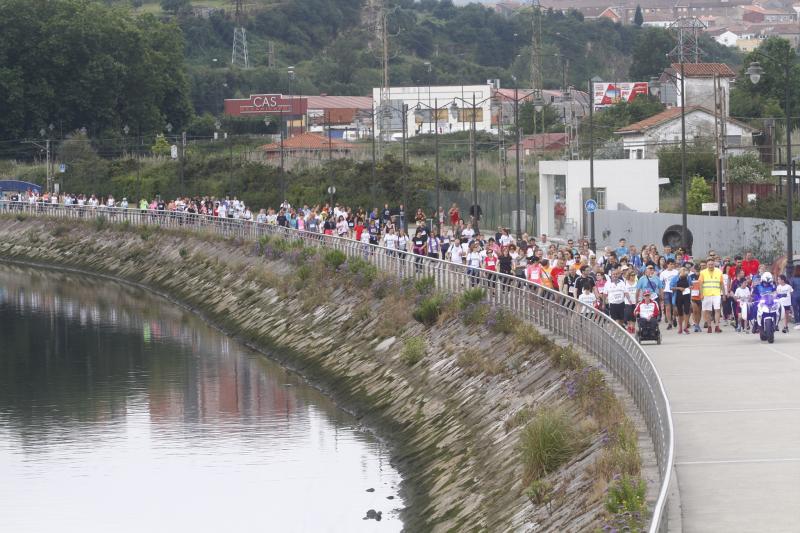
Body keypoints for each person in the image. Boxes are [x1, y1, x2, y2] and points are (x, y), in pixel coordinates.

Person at [699, 258, 724, 333]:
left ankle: (717, 326)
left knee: (717, 310)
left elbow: (721, 283)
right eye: (709, 264)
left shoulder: (719, 271)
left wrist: (724, 293)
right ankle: (709, 326)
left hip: (716, 294)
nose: (710, 266)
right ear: (707, 265)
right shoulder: (703, 272)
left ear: (714, 264)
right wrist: (701, 294)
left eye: (712, 264)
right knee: (708, 311)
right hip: (706, 294)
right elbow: (700, 284)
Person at [659, 259, 679, 329]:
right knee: (667, 308)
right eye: (670, 264)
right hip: (667, 291)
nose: (672, 265)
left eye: (673, 264)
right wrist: (662, 293)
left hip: (675, 291)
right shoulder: (663, 273)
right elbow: (661, 284)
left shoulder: (677, 272)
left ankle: (674, 318)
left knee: (675, 307)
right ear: (667, 264)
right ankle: (670, 323)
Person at [672, 267, 692, 334]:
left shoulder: (688, 277)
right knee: (680, 313)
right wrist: (679, 288)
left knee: (687, 311)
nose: (684, 271)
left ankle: (685, 327)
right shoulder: (675, 278)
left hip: (686, 296)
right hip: (678, 296)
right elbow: (671, 287)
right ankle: (680, 327)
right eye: (683, 270)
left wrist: (690, 287)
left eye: (685, 270)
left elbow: (691, 285)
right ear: (680, 271)